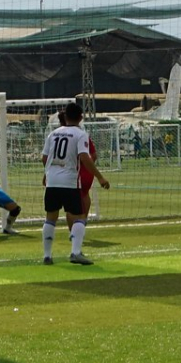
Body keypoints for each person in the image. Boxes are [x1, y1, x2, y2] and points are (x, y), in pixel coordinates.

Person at [41, 103, 109, 265]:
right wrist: (100, 177)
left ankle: (47, 255)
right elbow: (86, 157)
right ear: (80, 117)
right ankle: (75, 252)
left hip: (52, 182)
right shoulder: (80, 134)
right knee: (79, 216)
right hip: (70, 182)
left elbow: (44, 157)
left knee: (51, 217)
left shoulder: (53, 134)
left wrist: (47, 173)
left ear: (65, 117)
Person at [56, 111, 97, 231]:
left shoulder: (57, 135)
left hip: (70, 173)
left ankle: (73, 230)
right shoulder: (81, 134)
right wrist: (88, 166)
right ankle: (83, 220)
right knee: (84, 195)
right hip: (85, 172)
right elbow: (93, 155)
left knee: (70, 205)